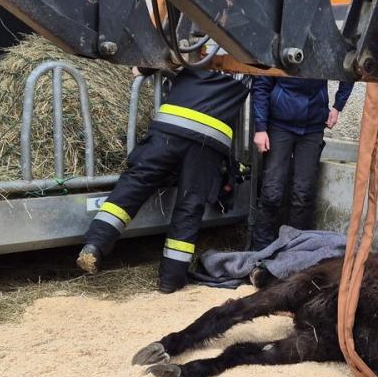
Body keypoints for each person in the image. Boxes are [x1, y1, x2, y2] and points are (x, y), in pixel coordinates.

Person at [77, 65, 250, 293]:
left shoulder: (193, 39)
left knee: (136, 182)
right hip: (210, 138)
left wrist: (142, 68)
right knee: (190, 205)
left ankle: (96, 243)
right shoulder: (251, 55)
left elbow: (163, 54)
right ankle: (171, 279)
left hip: (172, 123)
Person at [248, 75, 353, 250]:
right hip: (279, 124)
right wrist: (261, 128)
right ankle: (260, 252)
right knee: (271, 193)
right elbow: (261, 83)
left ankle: (294, 252)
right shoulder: (280, 47)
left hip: (312, 127)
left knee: (303, 195)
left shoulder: (324, 48)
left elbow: (350, 70)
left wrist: (337, 106)